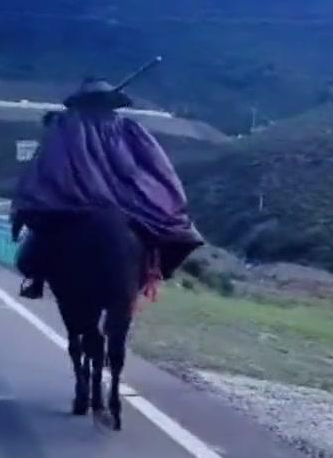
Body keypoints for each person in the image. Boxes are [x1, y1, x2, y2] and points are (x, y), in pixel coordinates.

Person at [11, 77, 203, 300]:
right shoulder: (131, 129)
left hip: (74, 198)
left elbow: (47, 164)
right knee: (180, 235)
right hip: (126, 201)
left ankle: (36, 279)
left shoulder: (65, 125)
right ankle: (158, 271)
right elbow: (156, 166)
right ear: (112, 103)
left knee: (37, 241)